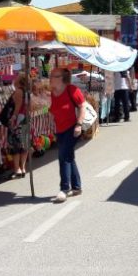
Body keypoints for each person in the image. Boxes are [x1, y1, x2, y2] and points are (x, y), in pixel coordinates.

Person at [49, 67, 86, 203]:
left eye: (53, 75)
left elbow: (82, 106)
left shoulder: (72, 90)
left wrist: (79, 124)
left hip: (72, 128)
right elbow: (52, 110)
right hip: (60, 129)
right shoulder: (51, 93)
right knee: (69, 156)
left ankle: (64, 188)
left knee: (63, 156)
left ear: (61, 78)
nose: (50, 77)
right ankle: (76, 187)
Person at [7, 73, 29, 179]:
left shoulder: (19, 91)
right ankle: (23, 167)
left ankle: (17, 169)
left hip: (18, 120)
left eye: (17, 78)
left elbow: (17, 106)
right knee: (24, 144)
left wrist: (13, 118)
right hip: (25, 119)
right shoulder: (27, 92)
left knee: (16, 146)